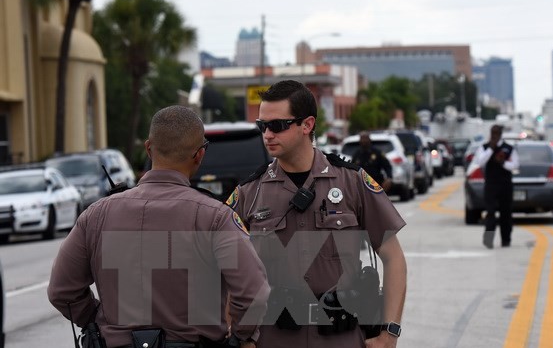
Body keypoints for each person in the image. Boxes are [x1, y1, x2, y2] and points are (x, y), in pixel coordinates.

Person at [48, 105, 270, 348]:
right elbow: (253, 292)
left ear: (148, 148)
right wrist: (241, 337)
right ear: (200, 155)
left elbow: (62, 290)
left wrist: (99, 321)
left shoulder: (96, 215)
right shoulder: (214, 217)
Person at [225, 80, 407, 348]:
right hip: (273, 338)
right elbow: (226, 270)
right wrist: (238, 336)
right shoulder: (249, 192)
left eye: (277, 125)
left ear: (307, 125)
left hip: (341, 336)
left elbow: (394, 259)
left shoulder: (351, 182)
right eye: (262, 126)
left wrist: (389, 333)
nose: (267, 134)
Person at [472, 124, 520, 249]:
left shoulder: (509, 148)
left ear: (500, 135)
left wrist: (503, 162)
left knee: (506, 214)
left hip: (505, 185)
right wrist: (491, 149)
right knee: (490, 214)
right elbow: (480, 161)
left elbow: (515, 165)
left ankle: (506, 240)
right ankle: (488, 240)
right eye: (492, 133)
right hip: (491, 186)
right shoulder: (484, 147)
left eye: (496, 134)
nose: (494, 136)